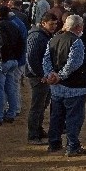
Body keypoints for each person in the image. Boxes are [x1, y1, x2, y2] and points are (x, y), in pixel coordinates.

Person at [43, 14, 86, 157]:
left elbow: (46, 59)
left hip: (56, 87)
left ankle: (54, 143)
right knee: (74, 117)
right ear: (78, 27)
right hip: (74, 87)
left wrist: (50, 75)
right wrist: (60, 76)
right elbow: (74, 63)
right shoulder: (76, 42)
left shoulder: (53, 39)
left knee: (56, 116)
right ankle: (72, 146)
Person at [25, 13, 58, 144]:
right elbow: (32, 59)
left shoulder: (44, 35)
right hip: (38, 77)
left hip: (44, 76)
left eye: (55, 24)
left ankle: (38, 130)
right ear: (43, 23)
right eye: (51, 24)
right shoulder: (37, 37)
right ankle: (33, 135)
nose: (54, 27)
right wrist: (41, 75)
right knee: (37, 106)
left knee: (43, 104)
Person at [0, 5, 25, 126]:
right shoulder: (14, 25)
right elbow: (21, 42)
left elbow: (1, 44)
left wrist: (0, 59)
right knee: (10, 89)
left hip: (4, 61)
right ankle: (11, 113)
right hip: (13, 60)